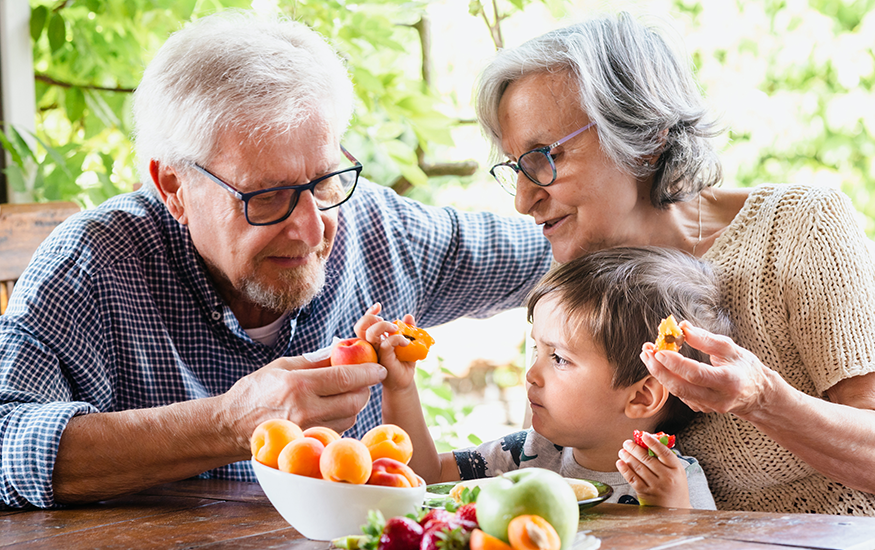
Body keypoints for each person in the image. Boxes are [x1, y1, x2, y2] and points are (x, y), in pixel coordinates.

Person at [473, 12, 875, 549]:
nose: (523, 197)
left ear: (647, 139)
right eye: (515, 166)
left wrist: (760, 397)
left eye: (545, 158)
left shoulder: (798, 229)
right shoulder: (577, 281)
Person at [0, 11, 552, 510]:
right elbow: (5, 443)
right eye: (266, 195)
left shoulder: (382, 231)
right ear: (173, 186)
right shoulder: (93, 264)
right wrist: (229, 423)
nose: (312, 229)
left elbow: (556, 249)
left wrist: (636, 194)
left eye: (326, 180)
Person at [357, 246, 726, 508]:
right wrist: (400, 387)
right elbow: (427, 477)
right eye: (537, 351)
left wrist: (675, 514)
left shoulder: (674, 482)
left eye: (559, 358)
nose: (532, 374)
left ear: (641, 397)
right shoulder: (531, 453)